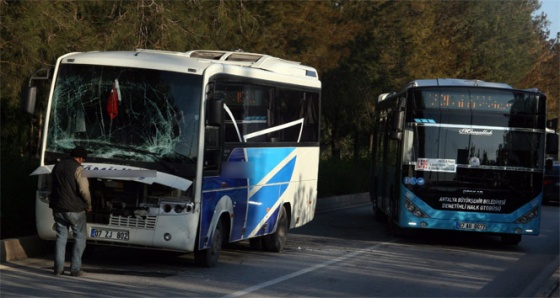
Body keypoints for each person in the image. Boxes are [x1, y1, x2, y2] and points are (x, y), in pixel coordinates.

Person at [49, 146, 92, 277]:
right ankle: (75, 269)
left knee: (61, 237)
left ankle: (58, 269)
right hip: (75, 209)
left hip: (58, 207)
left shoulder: (57, 166)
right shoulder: (78, 168)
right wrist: (88, 204)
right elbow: (84, 189)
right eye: (83, 159)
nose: (82, 162)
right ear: (79, 158)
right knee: (79, 237)